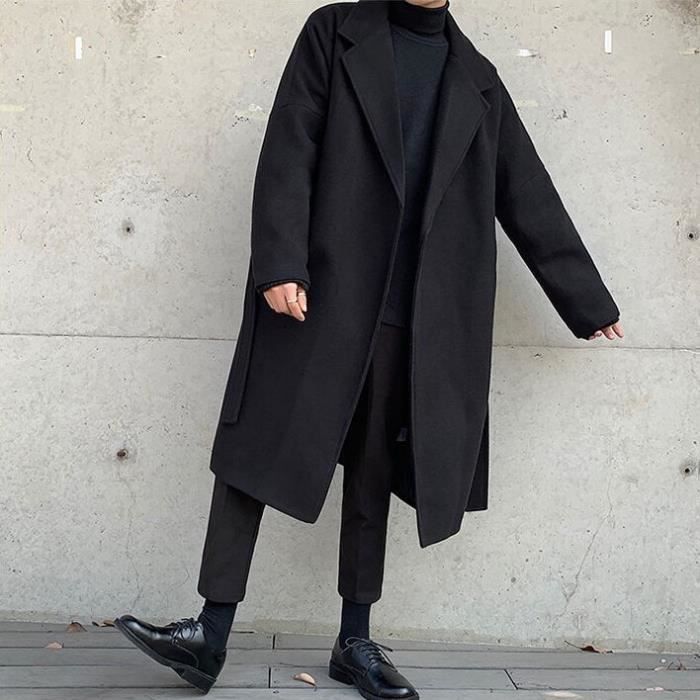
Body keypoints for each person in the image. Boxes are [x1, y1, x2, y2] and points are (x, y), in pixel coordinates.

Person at [114, 0, 624, 696]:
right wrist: (281, 261)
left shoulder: (476, 79)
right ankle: (210, 631)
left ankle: (354, 641)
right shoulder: (335, 32)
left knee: (372, 477)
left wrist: (587, 302)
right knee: (256, 448)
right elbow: (290, 142)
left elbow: (526, 190)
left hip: (413, 315)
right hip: (318, 293)